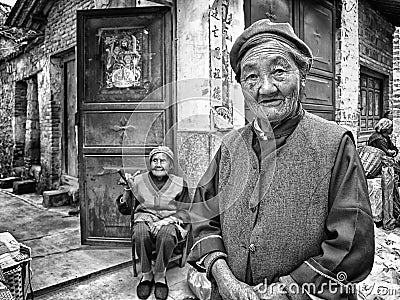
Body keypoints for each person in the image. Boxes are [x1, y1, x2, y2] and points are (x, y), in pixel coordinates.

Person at [188, 19, 375, 300]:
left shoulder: (335, 144)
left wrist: (285, 291)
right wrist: (222, 276)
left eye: (279, 72)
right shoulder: (230, 146)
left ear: (302, 75)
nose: (265, 88)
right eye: (251, 77)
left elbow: (352, 244)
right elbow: (202, 214)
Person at [116, 146, 190, 300]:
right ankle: (147, 274)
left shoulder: (180, 183)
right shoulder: (138, 180)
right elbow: (125, 209)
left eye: (163, 161)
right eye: (154, 160)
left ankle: (160, 275)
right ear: (150, 164)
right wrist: (128, 189)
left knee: (167, 235)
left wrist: (166, 221)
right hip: (144, 217)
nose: (158, 164)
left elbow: (185, 211)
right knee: (140, 233)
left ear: (170, 165)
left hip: (170, 219)